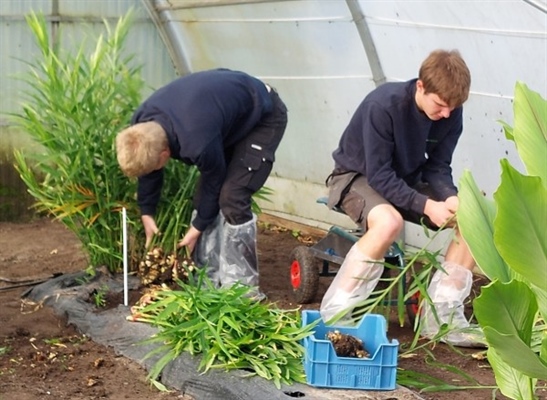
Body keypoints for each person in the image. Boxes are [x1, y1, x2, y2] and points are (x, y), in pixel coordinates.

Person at [319, 49, 484, 347]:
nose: (446, 113)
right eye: (441, 105)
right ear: (421, 86)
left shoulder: (451, 113)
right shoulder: (383, 105)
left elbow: (437, 166)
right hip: (357, 176)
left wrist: (449, 197)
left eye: (454, 107)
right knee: (387, 222)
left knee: (473, 220)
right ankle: (337, 314)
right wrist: (426, 205)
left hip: (407, 179)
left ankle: (442, 318)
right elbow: (380, 175)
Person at [116, 68, 288, 300]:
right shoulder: (142, 124)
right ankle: (208, 280)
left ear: (165, 153)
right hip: (223, 116)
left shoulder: (196, 140)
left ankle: (242, 290)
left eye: (157, 165)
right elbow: (148, 168)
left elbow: (213, 180)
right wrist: (147, 212)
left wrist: (196, 229)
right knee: (203, 201)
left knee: (232, 197)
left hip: (262, 116)